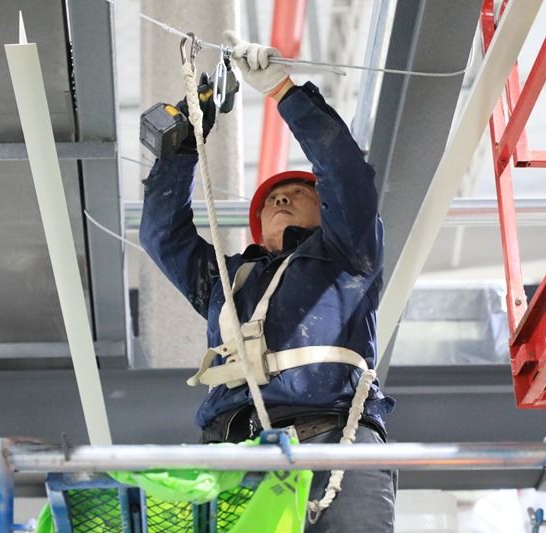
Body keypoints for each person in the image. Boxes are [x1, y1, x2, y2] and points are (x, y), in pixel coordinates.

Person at [139, 31, 396, 532]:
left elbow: (346, 173)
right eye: (271, 200)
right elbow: (160, 233)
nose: (280, 200)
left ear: (326, 212)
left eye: (297, 192)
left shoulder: (348, 258)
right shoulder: (228, 282)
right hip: (234, 448)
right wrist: (183, 146)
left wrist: (284, 91)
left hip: (334, 440)